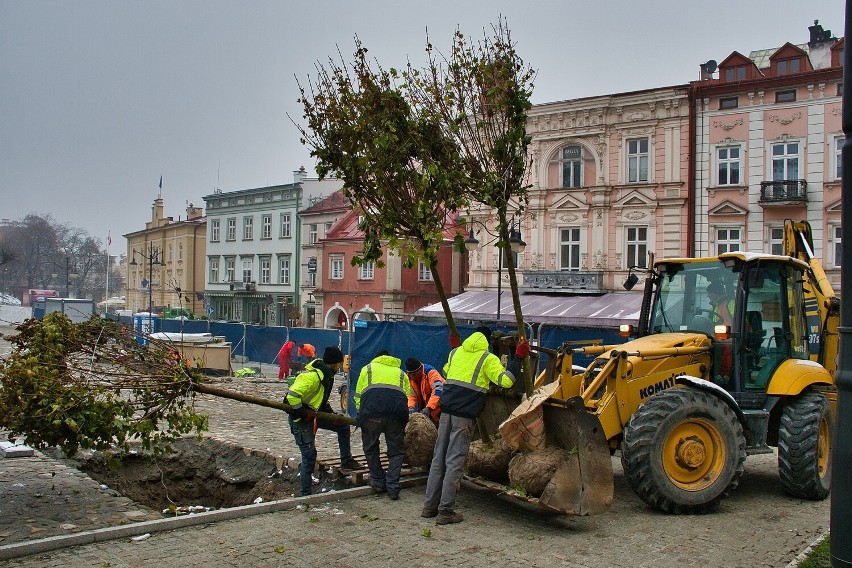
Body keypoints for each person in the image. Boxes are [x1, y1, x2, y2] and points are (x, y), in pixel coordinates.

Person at [422, 326, 525, 525]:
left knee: (438, 459)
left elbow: (446, 370)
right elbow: (507, 382)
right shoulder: (488, 359)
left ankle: (429, 507)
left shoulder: (456, 352)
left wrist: (454, 349)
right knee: (454, 462)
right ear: (487, 342)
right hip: (464, 415)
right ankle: (445, 511)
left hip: (446, 411)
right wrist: (518, 358)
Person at [285, 345, 362, 496]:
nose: (340, 367)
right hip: (301, 420)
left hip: (315, 415)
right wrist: (302, 413)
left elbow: (321, 400)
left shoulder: (327, 376)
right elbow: (292, 396)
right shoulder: (312, 377)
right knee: (309, 455)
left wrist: (332, 415)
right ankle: (305, 494)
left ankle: (346, 460)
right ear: (334, 364)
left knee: (343, 426)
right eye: (339, 364)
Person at [354, 349, 411, 500]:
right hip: (395, 417)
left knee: (371, 448)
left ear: (377, 359)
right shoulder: (401, 374)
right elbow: (406, 397)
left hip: (371, 415)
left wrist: (362, 414)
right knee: (396, 451)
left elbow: (359, 395)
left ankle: (378, 482)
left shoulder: (367, 369)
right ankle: (393, 487)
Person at [405, 357, 445, 424]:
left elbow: (438, 391)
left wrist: (429, 408)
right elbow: (412, 396)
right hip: (428, 408)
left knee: (441, 432)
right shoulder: (409, 378)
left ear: (420, 369)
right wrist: (410, 407)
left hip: (441, 407)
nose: (413, 376)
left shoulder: (431, 373)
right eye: (411, 374)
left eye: (415, 374)